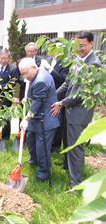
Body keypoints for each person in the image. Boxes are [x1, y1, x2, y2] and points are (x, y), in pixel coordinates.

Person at [50, 30, 101, 191]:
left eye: (83, 46)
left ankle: (76, 184)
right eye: (77, 45)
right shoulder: (78, 60)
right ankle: (67, 165)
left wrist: (62, 103)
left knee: (76, 147)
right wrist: (53, 96)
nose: (79, 48)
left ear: (91, 44)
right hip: (69, 110)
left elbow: (83, 93)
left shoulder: (94, 64)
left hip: (79, 114)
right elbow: (68, 84)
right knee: (67, 141)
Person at [19, 58, 60, 183]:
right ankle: (34, 160)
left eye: (27, 73)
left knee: (42, 147)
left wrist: (26, 118)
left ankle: (44, 172)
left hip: (46, 119)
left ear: (34, 67)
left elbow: (37, 103)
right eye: (22, 74)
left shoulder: (41, 80)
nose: (25, 77)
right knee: (31, 140)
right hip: (36, 118)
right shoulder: (36, 74)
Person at [41, 39, 70, 153]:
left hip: (58, 95)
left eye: (51, 48)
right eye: (48, 48)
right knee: (46, 119)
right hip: (46, 95)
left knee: (56, 121)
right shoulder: (48, 59)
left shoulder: (65, 61)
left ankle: (55, 147)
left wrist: (50, 69)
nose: (49, 50)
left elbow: (63, 79)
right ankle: (47, 143)